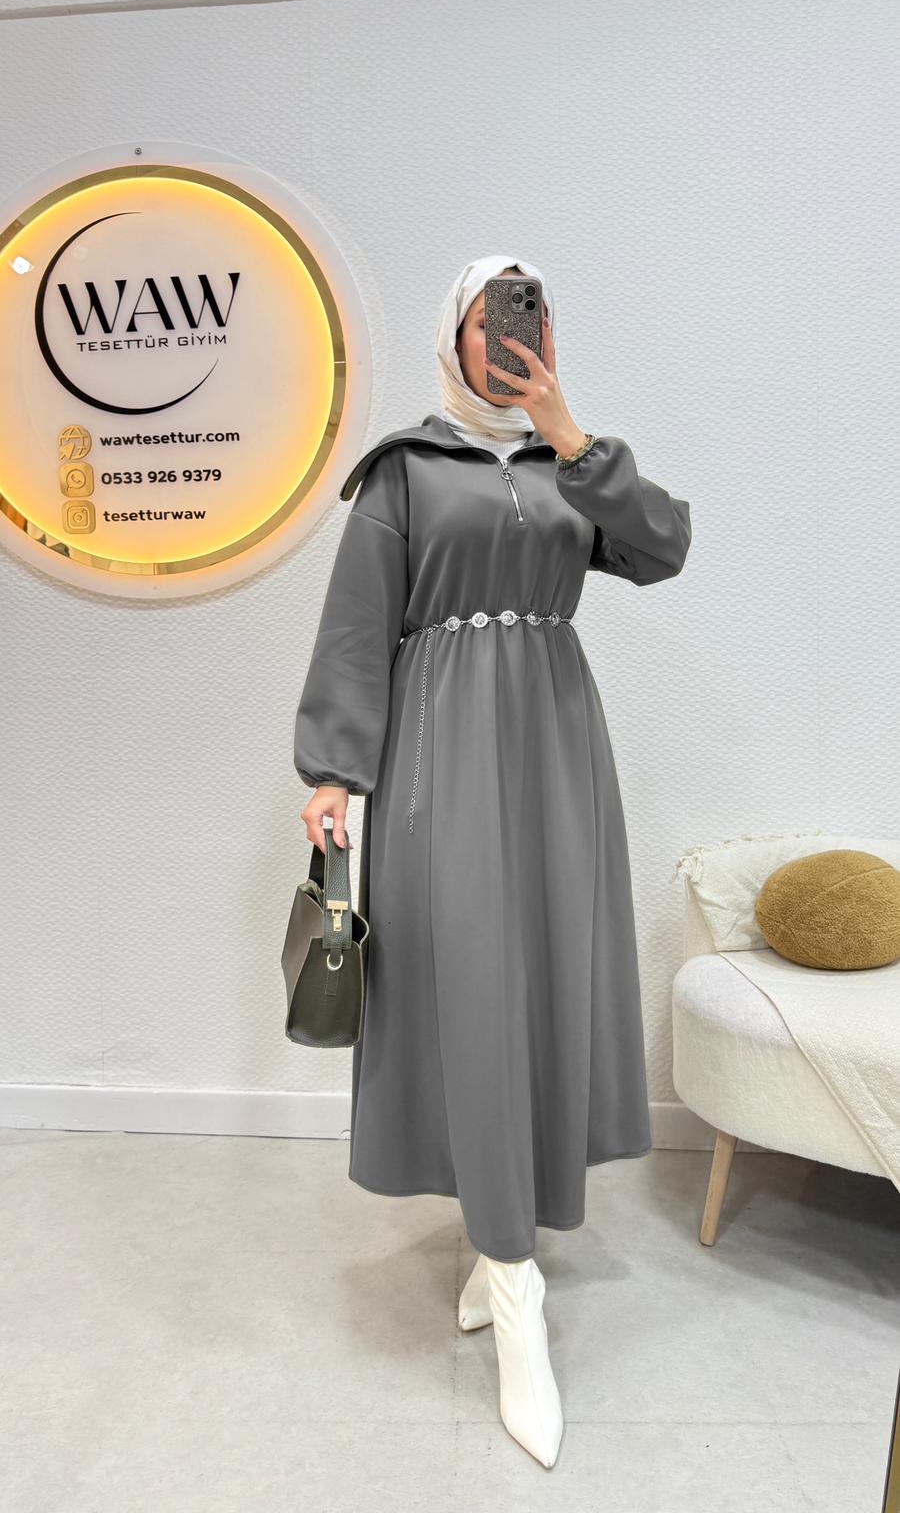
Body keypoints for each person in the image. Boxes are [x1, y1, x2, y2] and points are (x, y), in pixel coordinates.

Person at [293, 255, 692, 1468]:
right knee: (468, 984)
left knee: (540, 982)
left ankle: (498, 1238)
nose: (516, 334)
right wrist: (333, 769)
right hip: (442, 755)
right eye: (491, 317)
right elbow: (358, 626)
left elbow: (663, 546)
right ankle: (515, 1287)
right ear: (454, 338)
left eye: (534, 312)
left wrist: (572, 435)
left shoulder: (575, 464)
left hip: (557, 751)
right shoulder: (405, 470)